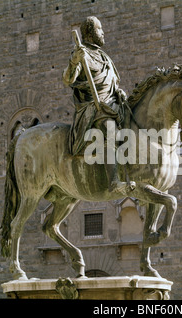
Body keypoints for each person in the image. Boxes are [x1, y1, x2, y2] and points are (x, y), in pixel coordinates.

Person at [62, 16, 134, 195]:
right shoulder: (82, 53)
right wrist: (74, 61)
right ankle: (114, 182)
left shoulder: (104, 57)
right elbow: (67, 79)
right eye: (100, 29)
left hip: (111, 106)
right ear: (90, 32)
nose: (103, 33)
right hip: (93, 109)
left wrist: (119, 91)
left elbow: (112, 84)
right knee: (109, 128)